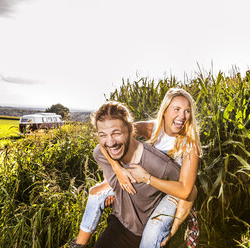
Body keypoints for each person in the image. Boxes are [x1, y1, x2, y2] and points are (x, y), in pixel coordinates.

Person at [72, 88, 201, 247]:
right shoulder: (152, 128)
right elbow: (110, 136)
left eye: (187, 111)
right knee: (95, 194)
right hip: (142, 179)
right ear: (165, 111)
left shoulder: (190, 146)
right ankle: (78, 245)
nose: (182, 115)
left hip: (170, 188)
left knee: (153, 231)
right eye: (177, 109)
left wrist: (147, 178)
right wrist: (117, 169)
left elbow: (186, 190)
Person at [89, 101, 181, 247]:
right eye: (103, 135)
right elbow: (103, 149)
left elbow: (186, 189)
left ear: (131, 129)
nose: (110, 142)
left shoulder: (158, 163)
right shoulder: (101, 154)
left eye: (116, 133)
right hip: (119, 226)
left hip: (148, 234)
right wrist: (114, 179)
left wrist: (174, 224)